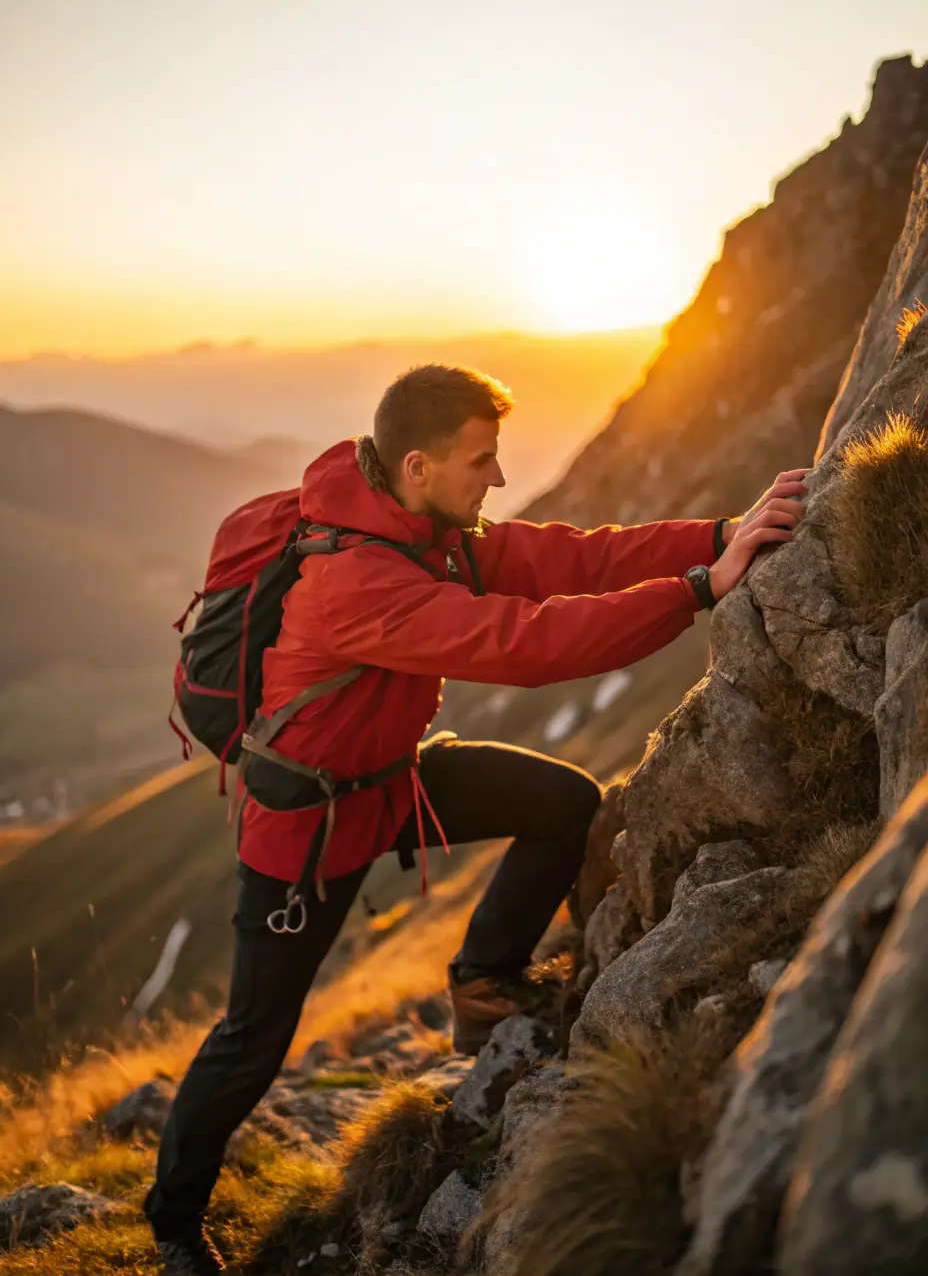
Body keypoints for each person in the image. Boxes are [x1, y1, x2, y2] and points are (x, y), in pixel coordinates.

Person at [146, 363, 806, 1273]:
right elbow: (524, 643)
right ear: (416, 466)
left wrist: (722, 534)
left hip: (389, 779)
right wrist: (699, 589)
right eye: (481, 461)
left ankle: (483, 981)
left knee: (562, 802)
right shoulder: (359, 581)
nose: (495, 479)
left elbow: (565, 556)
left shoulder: (422, 529)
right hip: (309, 830)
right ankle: (173, 1221)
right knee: (253, 1040)